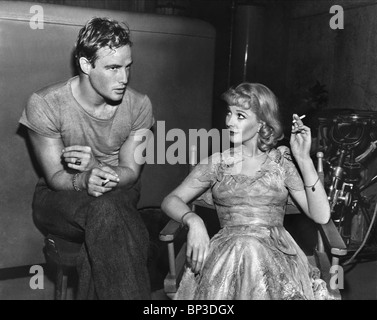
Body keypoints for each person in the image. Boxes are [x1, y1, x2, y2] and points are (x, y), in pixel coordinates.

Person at [19, 17, 154, 299]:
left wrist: (98, 168)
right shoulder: (46, 103)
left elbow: (130, 172)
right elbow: (56, 178)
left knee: (108, 214)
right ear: (85, 65)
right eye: (113, 68)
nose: (124, 78)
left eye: (128, 67)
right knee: (114, 219)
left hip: (118, 192)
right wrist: (84, 178)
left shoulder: (139, 105)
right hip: (60, 197)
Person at [161, 82, 333, 300]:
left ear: (262, 122)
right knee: (245, 246)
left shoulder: (281, 163)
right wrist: (193, 220)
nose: (229, 122)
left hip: (277, 254)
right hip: (226, 255)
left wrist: (303, 158)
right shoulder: (217, 163)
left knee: (250, 248)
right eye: (229, 113)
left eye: (240, 116)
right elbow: (171, 200)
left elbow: (321, 215)